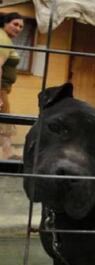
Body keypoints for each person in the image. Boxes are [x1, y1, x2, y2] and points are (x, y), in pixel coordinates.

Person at [0, 12, 24, 160]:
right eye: (15, 24)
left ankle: (8, 153)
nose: (18, 28)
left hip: (3, 89)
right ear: (5, 23)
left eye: (21, 26)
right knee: (5, 120)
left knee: (4, 120)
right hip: (0, 88)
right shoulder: (2, 38)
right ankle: (9, 154)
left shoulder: (5, 38)